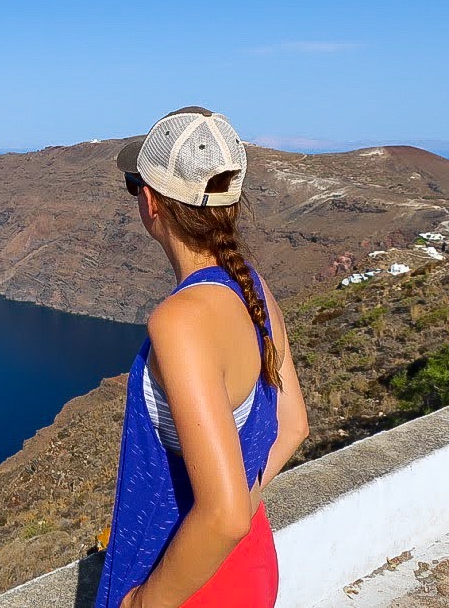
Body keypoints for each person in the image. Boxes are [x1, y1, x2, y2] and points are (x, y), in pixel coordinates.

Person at [94, 106, 311, 608]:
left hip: (192, 584)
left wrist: (140, 603)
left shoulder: (180, 322)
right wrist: (243, 498)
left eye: (134, 185)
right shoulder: (252, 286)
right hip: (251, 565)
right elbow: (293, 426)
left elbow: (224, 516)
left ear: (151, 201)